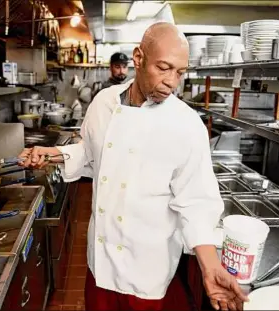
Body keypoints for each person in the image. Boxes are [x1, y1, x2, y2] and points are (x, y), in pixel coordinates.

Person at [18, 22, 248, 311]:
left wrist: (210, 264)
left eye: (179, 72)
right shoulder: (103, 103)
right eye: (163, 67)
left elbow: (196, 201)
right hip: (101, 261)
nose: (171, 82)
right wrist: (53, 153)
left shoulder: (186, 125)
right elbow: (92, 154)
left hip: (147, 269)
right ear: (138, 58)